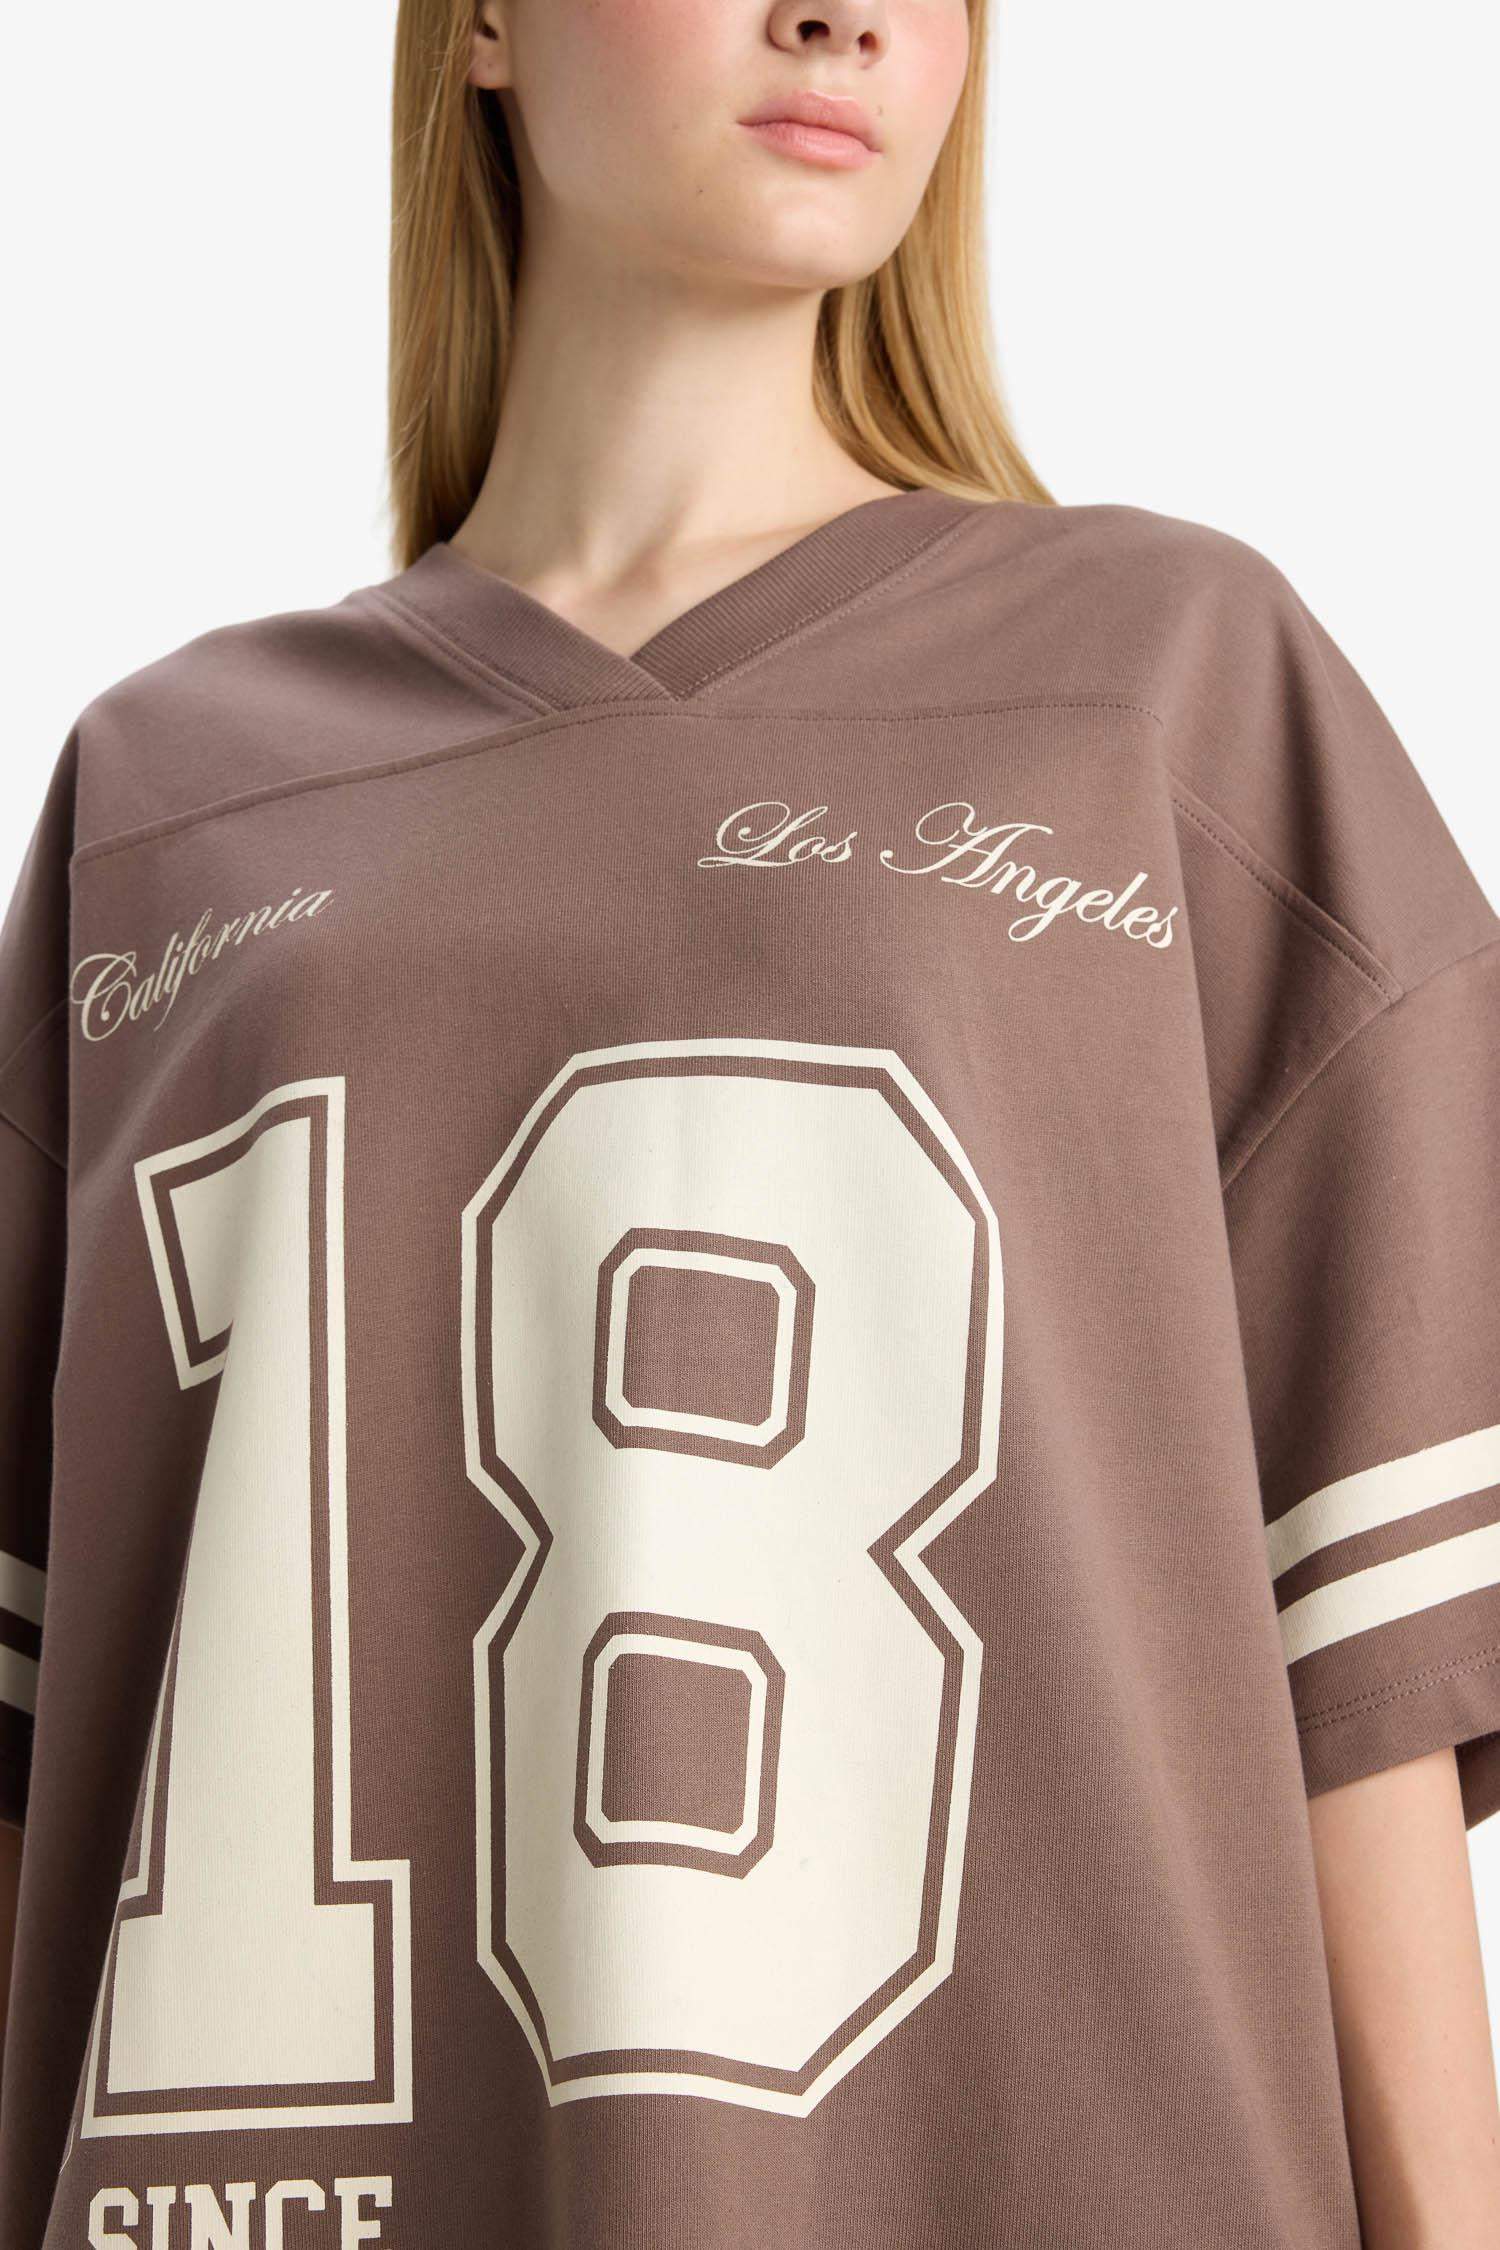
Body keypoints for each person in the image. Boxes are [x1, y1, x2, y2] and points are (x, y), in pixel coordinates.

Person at [0, 0, 1497, 2243]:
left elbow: (1356, 1690)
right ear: (480, 24)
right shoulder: (165, 800)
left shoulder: (1173, 695)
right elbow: (51, 1776)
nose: (845, 16)